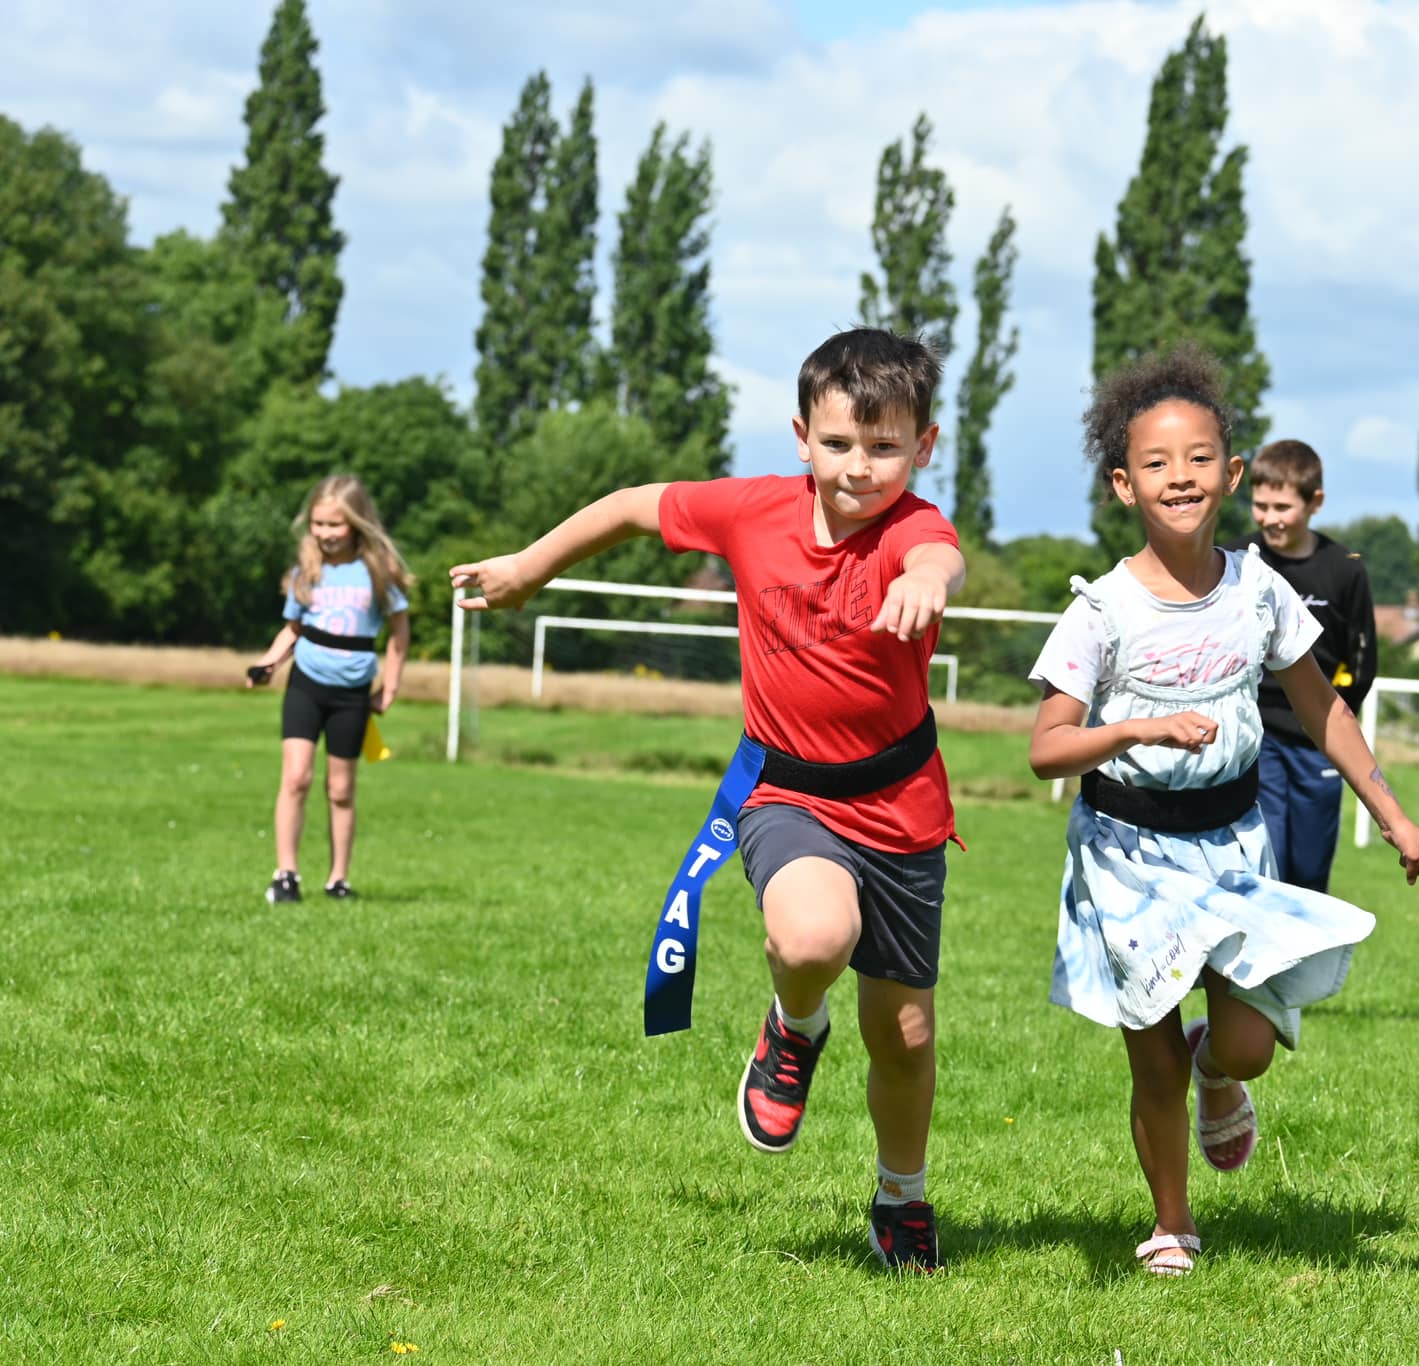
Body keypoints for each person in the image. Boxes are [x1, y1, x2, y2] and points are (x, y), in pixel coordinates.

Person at [449, 328, 965, 1273]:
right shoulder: (748, 513)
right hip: (785, 793)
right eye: (841, 444)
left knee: (904, 1035)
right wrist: (531, 566)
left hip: (901, 807)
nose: (861, 467)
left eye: (886, 447)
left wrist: (926, 585)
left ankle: (902, 1198)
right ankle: (794, 1025)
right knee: (811, 938)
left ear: (924, 447)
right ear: (802, 436)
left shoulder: (915, 531)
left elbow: (940, 558)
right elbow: (634, 504)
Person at [1026, 342, 1419, 1276]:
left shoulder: (1262, 590)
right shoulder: (1100, 612)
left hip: (1233, 844)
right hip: (1125, 854)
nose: (1181, 477)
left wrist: (1398, 816)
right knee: (1153, 1057)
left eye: (1200, 458)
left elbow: (1324, 706)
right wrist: (1137, 731)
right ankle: (1173, 1222)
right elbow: (1047, 745)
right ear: (1123, 484)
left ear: (1235, 473)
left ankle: (1222, 1074)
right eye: (1157, 463)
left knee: (1249, 1046)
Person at [245, 475, 412, 904]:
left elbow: (398, 633)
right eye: (317, 524)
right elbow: (293, 629)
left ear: (356, 524)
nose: (324, 534)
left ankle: (338, 880)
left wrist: (389, 686)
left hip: (352, 692)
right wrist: (267, 664)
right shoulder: (308, 571)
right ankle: (286, 875)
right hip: (306, 684)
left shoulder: (378, 573)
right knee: (296, 778)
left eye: (334, 525)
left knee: (340, 789)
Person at [1227, 439, 1377, 893]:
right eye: (1260, 505)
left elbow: (1362, 660)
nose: (1270, 517)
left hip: (1318, 743)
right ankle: (1257, 962)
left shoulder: (1345, 568)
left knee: (1309, 872)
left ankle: (1303, 963)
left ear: (1315, 503)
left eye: (1282, 506)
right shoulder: (1237, 561)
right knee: (1267, 859)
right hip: (1257, 738)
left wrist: (1334, 719)